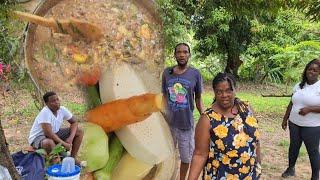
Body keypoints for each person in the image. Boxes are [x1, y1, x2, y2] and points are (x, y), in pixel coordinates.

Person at [188, 72, 261, 180]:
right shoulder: (208, 119)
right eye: (219, 92)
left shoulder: (246, 108)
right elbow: (199, 155)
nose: (224, 95)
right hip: (221, 176)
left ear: (235, 89)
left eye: (228, 90)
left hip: (249, 175)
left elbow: (256, 141)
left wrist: (258, 165)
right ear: (214, 92)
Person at [162, 42, 204, 180]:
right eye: (179, 52)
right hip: (169, 124)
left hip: (186, 124)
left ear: (189, 55)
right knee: (167, 155)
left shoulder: (195, 74)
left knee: (186, 157)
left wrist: (204, 114)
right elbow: (163, 97)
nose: (182, 54)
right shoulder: (167, 73)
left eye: (185, 52)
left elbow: (198, 98)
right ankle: (169, 176)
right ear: (174, 55)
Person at [281, 58, 320, 180]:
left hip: (312, 126)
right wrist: (285, 118)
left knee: (312, 152)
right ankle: (291, 168)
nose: (311, 72)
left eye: (315, 70)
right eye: (310, 69)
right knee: (293, 147)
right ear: (306, 70)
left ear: (319, 73)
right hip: (294, 123)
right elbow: (291, 103)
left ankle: (315, 176)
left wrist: (309, 109)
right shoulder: (298, 85)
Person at [28, 91, 83, 160]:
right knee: (48, 142)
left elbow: (74, 122)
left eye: (57, 99)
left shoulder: (62, 109)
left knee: (79, 131)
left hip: (54, 134)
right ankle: (57, 161)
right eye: (53, 101)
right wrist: (64, 144)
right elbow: (48, 133)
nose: (57, 102)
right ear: (47, 104)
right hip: (38, 138)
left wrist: (70, 139)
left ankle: (72, 159)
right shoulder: (45, 112)